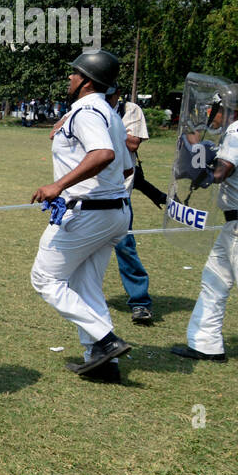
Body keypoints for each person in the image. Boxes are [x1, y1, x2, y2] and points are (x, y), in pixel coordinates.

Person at [30, 50, 134, 384]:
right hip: (114, 212)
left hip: (88, 212)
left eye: (74, 74)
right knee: (87, 286)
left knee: (45, 279)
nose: (69, 79)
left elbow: (103, 154)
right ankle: (102, 362)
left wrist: (58, 185)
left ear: (87, 81)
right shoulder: (109, 113)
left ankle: (106, 340)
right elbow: (127, 165)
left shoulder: (88, 110)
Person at [174, 83, 238, 363]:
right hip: (236, 225)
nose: (210, 112)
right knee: (214, 280)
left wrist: (199, 166)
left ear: (227, 109)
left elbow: (222, 172)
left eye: (214, 107)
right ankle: (206, 344)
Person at [107, 90, 154, 324]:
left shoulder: (129, 110)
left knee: (125, 246)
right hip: (88, 191)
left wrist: (106, 123)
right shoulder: (85, 109)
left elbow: (133, 143)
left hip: (119, 192)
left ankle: (140, 302)